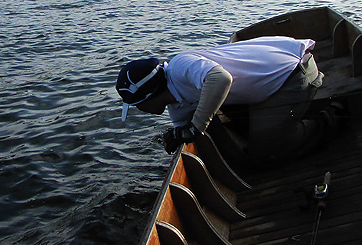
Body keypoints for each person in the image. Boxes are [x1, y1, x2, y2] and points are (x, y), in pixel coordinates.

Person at [116, 36, 342, 166]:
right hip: (267, 86)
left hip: (291, 74)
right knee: (232, 130)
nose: (139, 110)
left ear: (148, 98)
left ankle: (332, 116)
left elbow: (221, 78)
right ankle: (281, 121)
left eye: (137, 104)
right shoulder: (175, 104)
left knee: (265, 154)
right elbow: (181, 126)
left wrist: (196, 127)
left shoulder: (179, 66)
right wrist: (175, 137)